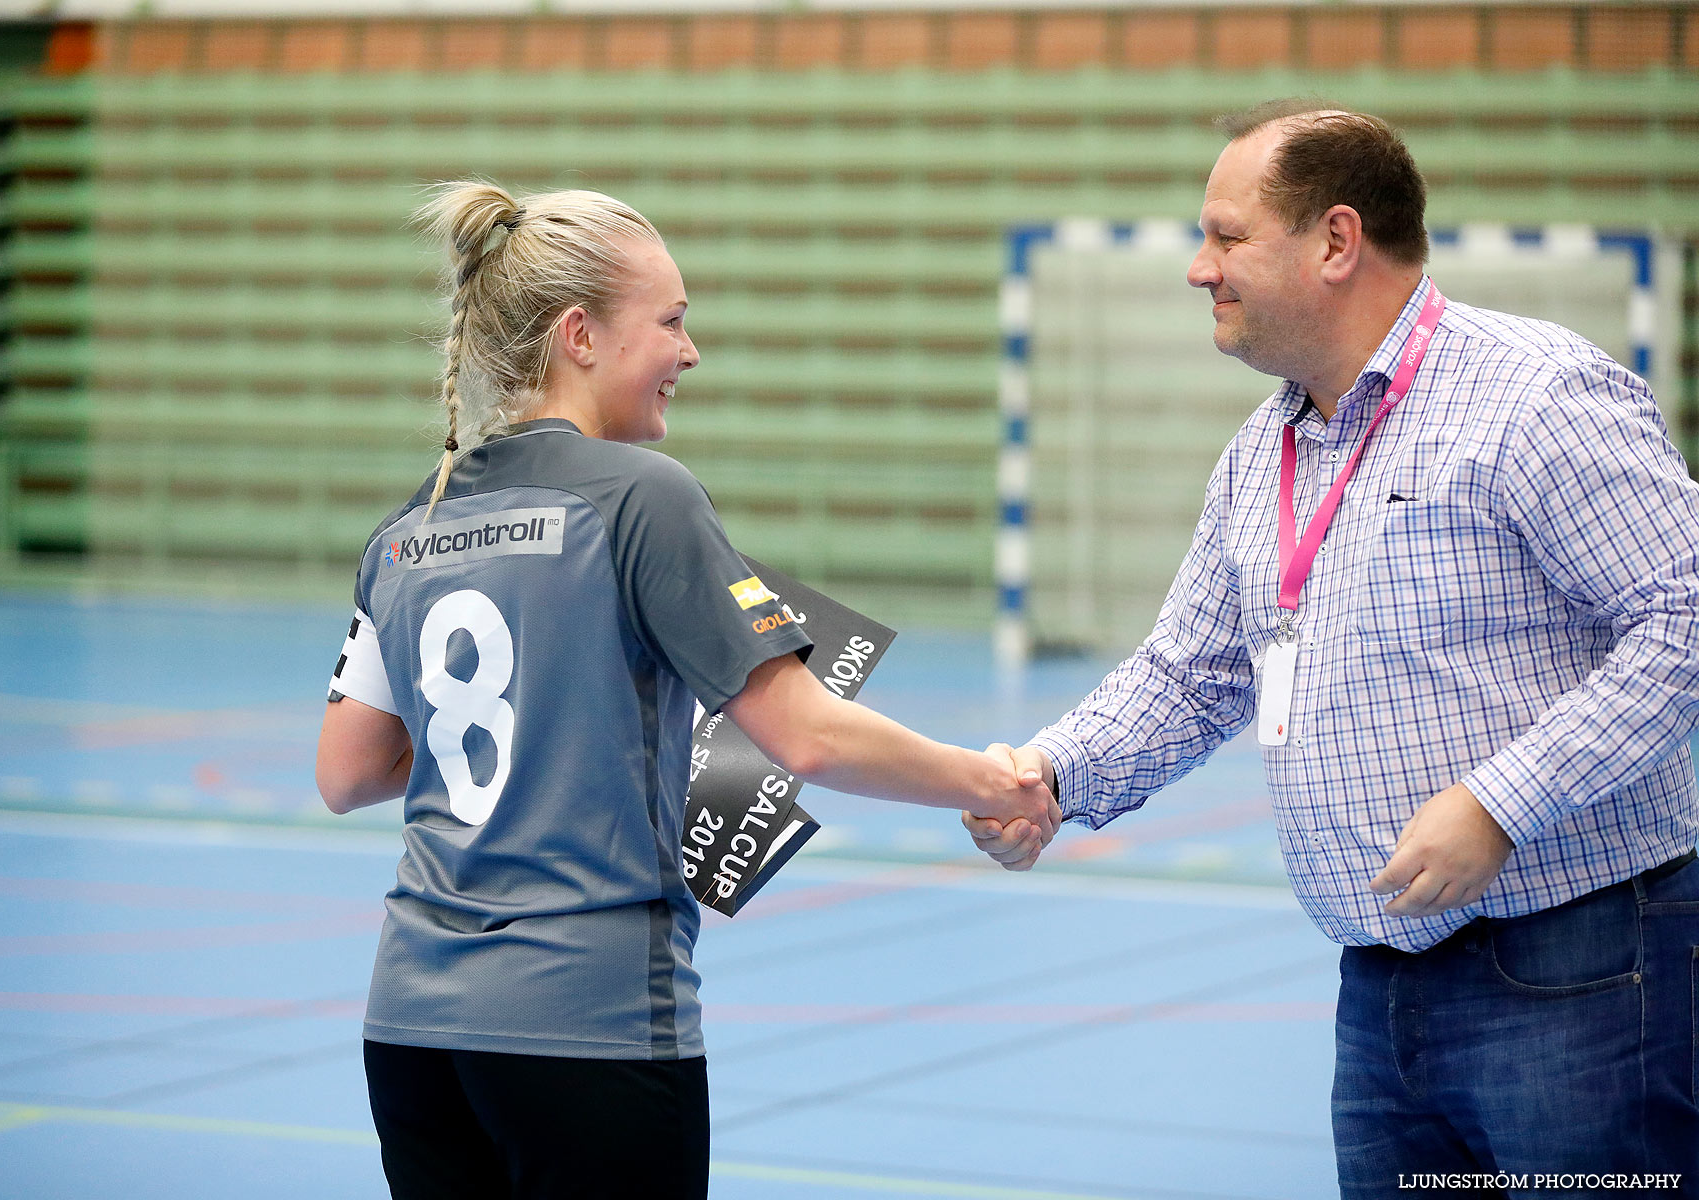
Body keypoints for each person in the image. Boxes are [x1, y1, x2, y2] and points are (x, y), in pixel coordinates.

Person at [967, 100, 1699, 1194]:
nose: (1197, 268)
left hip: (1581, 967)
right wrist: (1051, 778)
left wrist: (1503, 802)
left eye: (1226, 236)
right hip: (1381, 986)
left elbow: (1682, 616)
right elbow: (1190, 673)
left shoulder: (1535, 392)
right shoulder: (1264, 450)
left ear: (1336, 240)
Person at [313, 182, 1056, 1200]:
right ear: (579, 335)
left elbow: (347, 773)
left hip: (411, 1033)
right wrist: (994, 781)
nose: (690, 352)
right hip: (590, 1028)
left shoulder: (405, 529)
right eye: (671, 322)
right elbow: (807, 738)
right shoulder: (640, 499)